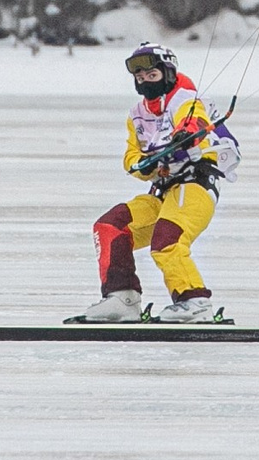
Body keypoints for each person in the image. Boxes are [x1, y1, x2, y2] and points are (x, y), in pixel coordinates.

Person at [76, 42, 237, 323]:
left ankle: (194, 302)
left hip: (195, 186)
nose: (145, 82)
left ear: (168, 73)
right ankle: (122, 298)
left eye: (152, 76)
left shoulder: (185, 99)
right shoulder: (137, 114)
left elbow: (194, 123)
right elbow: (130, 156)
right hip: (162, 192)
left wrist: (182, 138)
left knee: (166, 240)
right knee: (110, 226)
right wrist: (142, 165)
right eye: (140, 78)